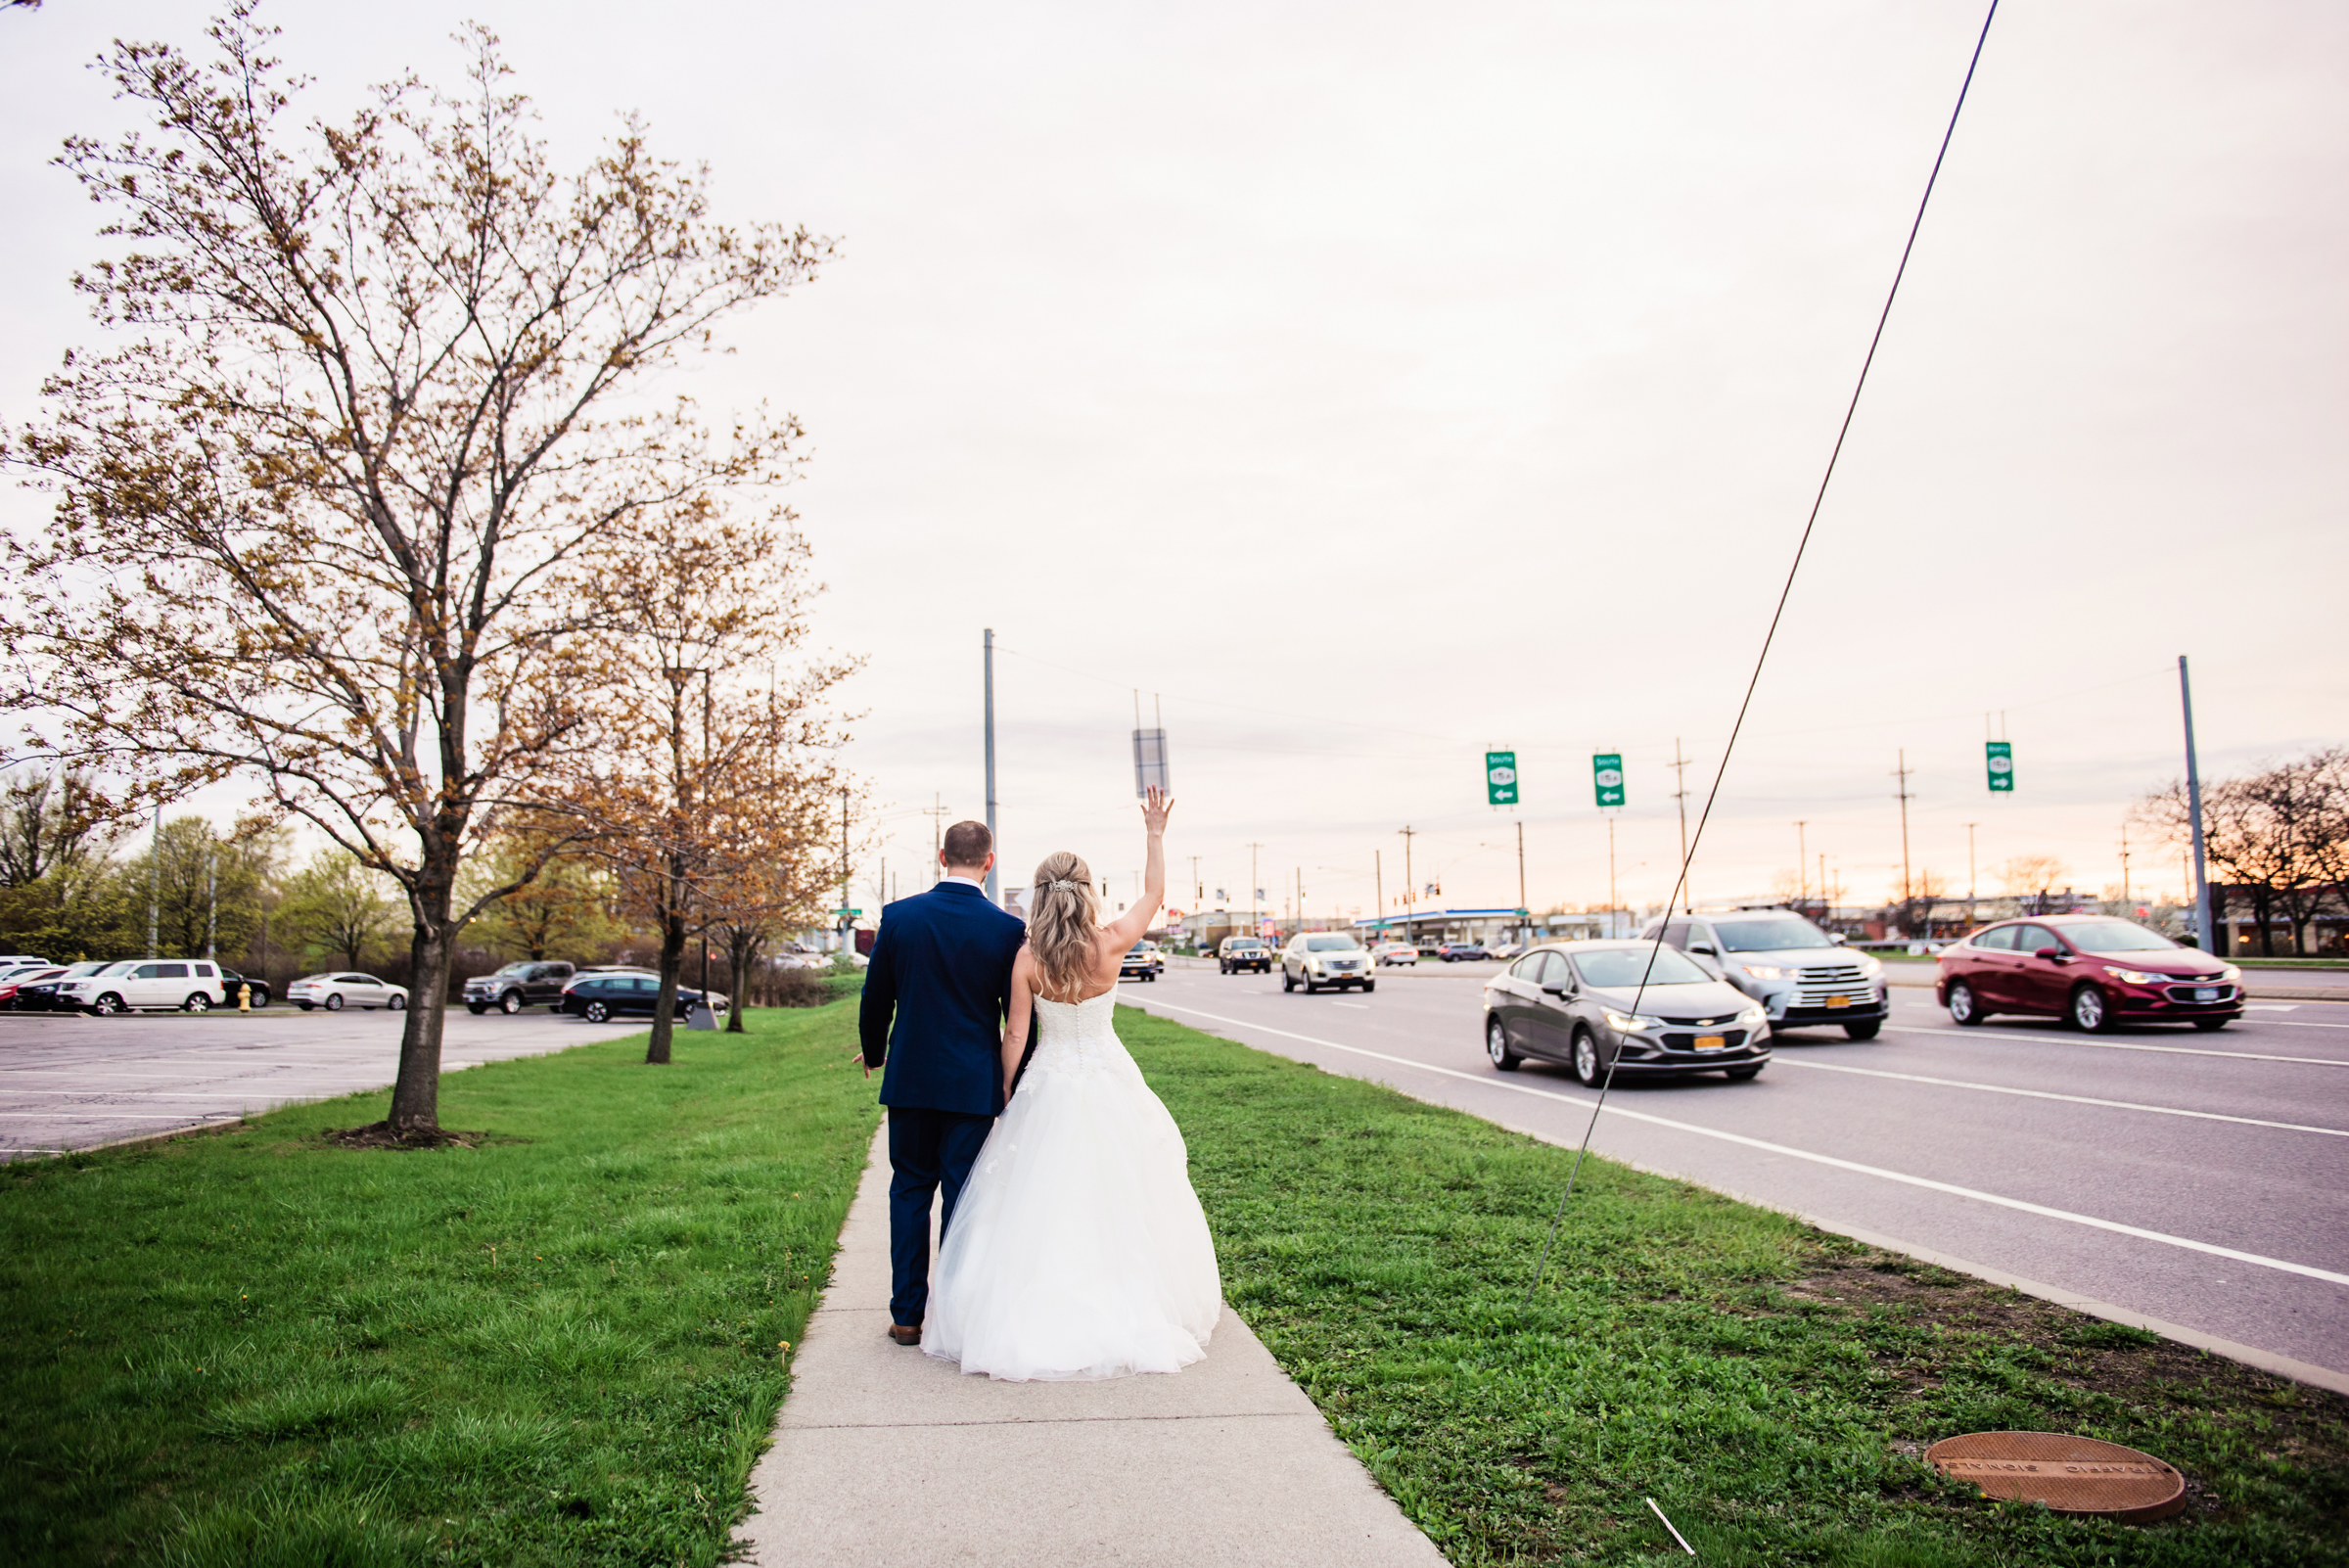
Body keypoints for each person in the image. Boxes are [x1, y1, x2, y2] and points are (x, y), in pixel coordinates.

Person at [922, 787, 1221, 1381]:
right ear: (1088, 892)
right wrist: (1155, 834)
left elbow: (1014, 1035)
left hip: (1050, 1084)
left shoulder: (1029, 958)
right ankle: (1129, 1299)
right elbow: (1156, 895)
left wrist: (1006, 1092)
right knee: (1123, 1193)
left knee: (1041, 1198)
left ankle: (1041, 1308)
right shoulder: (1110, 943)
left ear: (1038, 895)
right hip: (1110, 1078)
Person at [857, 819, 1030, 1346]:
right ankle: (954, 1320)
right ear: (989, 862)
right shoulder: (1005, 930)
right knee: (961, 1196)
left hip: (910, 1079)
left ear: (941, 856)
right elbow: (1016, 1016)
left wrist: (875, 1050)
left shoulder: (899, 917)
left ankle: (907, 1316)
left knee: (909, 1190)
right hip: (972, 1084)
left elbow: (876, 997)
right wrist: (1011, 1081)